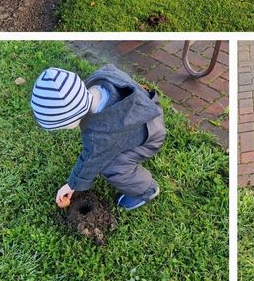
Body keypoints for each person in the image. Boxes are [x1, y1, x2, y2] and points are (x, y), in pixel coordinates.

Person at [31, 64, 166, 211]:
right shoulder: (101, 78)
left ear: (72, 118)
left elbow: (92, 160)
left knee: (112, 167)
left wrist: (72, 184)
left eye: (61, 125)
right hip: (148, 108)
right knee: (109, 153)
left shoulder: (101, 134)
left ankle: (147, 190)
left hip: (149, 137)